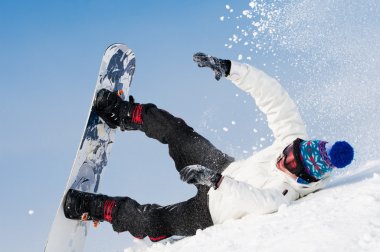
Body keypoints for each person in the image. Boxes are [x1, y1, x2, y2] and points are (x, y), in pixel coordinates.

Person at [64, 53, 354, 242]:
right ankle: (123, 114)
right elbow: (272, 95)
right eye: (289, 153)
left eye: (290, 166)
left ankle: (98, 208)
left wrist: (214, 181)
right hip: (223, 166)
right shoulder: (293, 136)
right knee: (177, 132)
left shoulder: (286, 194)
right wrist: (231, 69)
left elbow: (254, 198)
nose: (284, 160)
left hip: (212, 209)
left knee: (154, 221)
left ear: (304, 177)